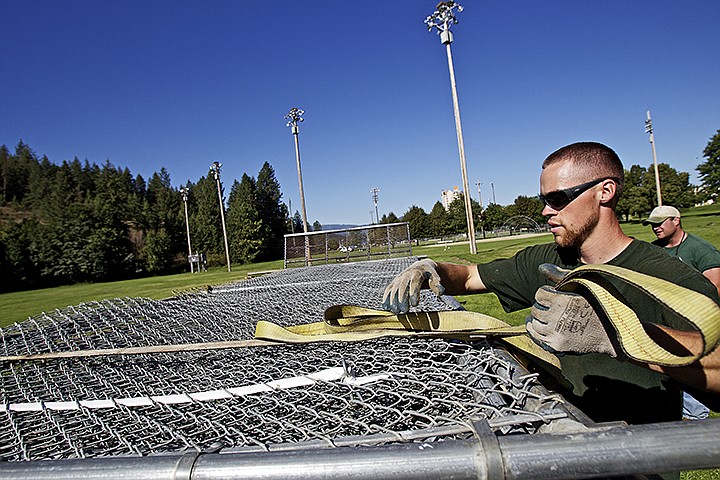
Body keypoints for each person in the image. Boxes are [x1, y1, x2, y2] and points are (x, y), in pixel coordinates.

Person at [382, 142, 720, 426]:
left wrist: (616, 335)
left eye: (558, 199)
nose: (545, 210)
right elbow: (471, 276)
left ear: (605, 191)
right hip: (559, 438)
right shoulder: (549, 259)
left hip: (636, 460)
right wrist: (432, 269)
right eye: (544, 199)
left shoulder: (665, 275)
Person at [643, 205, 720, 420]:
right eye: (652, 224)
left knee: (690, 373)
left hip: (691, 326)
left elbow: (715, 287)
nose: (655, 228)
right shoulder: (651, 250)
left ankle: (694, 422)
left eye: (660, 222)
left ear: (676, 220)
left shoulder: (700, 250)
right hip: (659, 323)